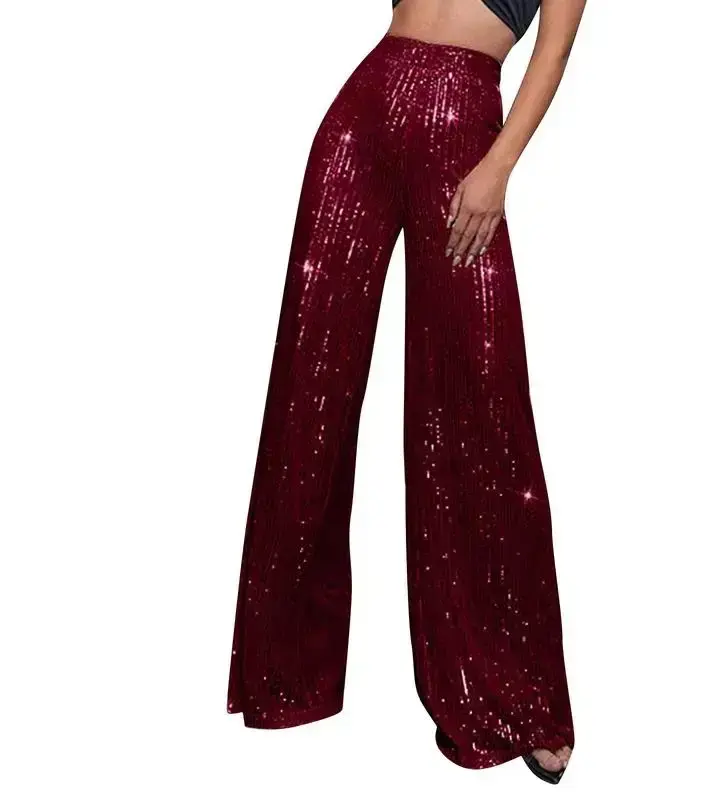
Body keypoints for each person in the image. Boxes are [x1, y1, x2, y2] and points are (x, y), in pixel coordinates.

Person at [227, 0, 586, 784]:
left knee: (481, 398)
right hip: (362, 113)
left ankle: (518, 697)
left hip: (464, 130)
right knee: (309, 380)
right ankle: (285, 669)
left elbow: (553, 53)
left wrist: (497, 166)